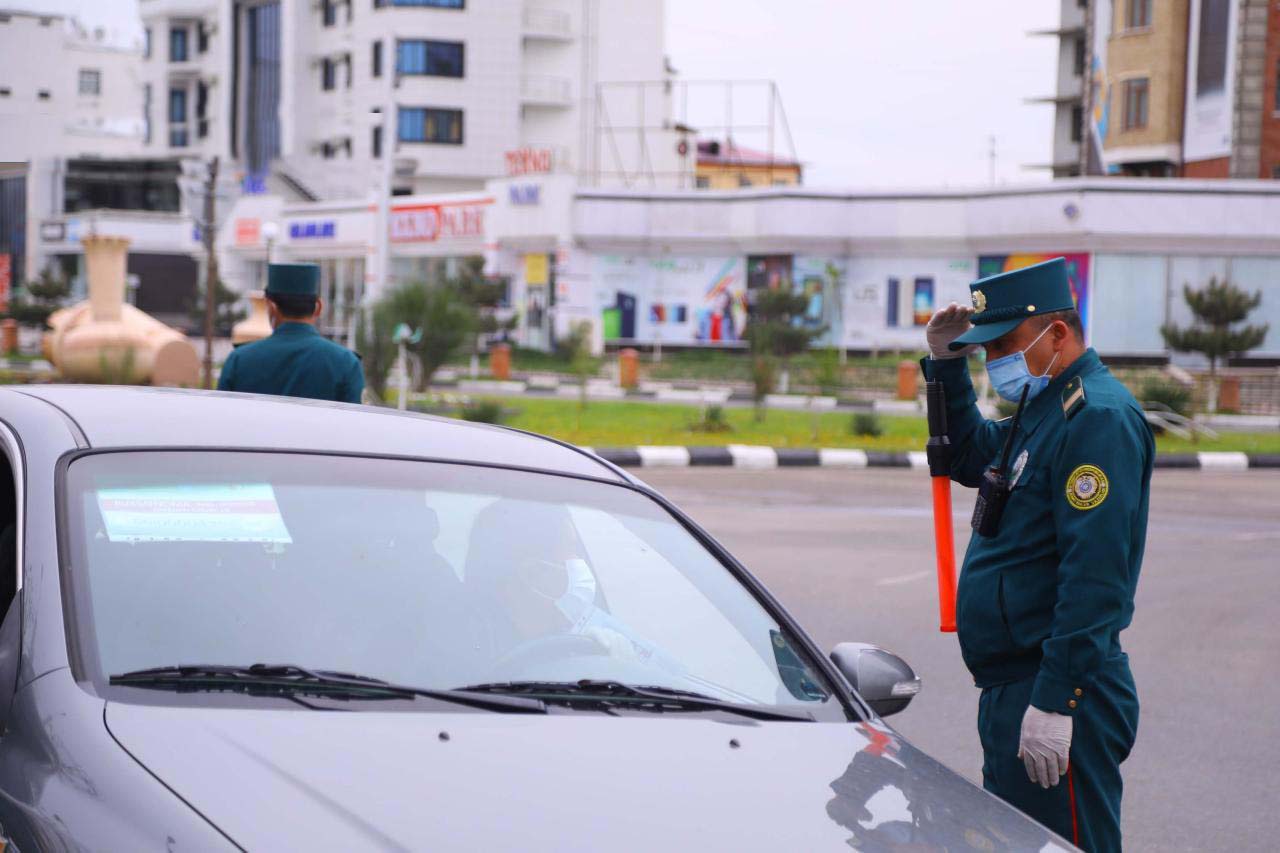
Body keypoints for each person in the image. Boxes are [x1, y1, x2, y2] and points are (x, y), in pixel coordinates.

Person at [921, 257, 1152, 853]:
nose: (995, 360)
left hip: (1055, 690)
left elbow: (1095, 576)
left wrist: (1055, 700)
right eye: (986, 349)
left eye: (1004, 344)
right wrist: (947, 366)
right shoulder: (1045, 407)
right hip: (1012, 688)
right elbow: (971, 457)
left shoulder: (1095, 417)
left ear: (1056, 333)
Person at [217, 263, 364, 403]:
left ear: (271, 306)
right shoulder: (346, 362)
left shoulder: (240, 359)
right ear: (318, 307)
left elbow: (224, 419)